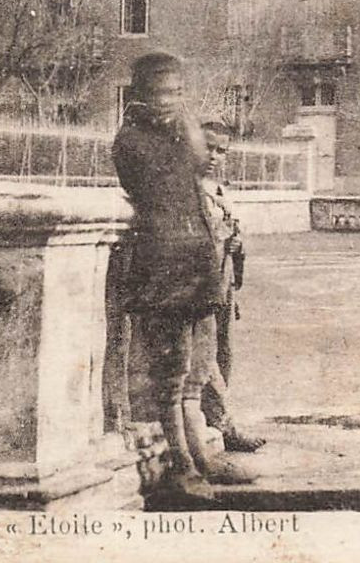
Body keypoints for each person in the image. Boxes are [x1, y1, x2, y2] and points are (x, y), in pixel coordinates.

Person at [113, 53, 255, 487]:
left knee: (196, 372)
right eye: (160, 93)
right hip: (163, 264)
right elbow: (168, 179)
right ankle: (182, 468)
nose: (170, 102)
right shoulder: (131, 140)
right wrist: (180, 128)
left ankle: (202, 458)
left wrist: (183, 124)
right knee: (170, 375)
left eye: (177, 93)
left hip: (195, 261)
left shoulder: (178, 131)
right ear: (138, 95)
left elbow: (195, 160)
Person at [197, 121, 267, 453]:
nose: (213, 156)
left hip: (222, 283)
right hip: (197, 286)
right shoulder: (187, 189)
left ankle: (213, 422)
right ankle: (225, 427)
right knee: (206, 356)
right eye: (207, 147)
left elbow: (231, 237)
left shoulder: (221, 191)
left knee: (225, 354)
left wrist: (237, 248)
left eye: (220, 150)